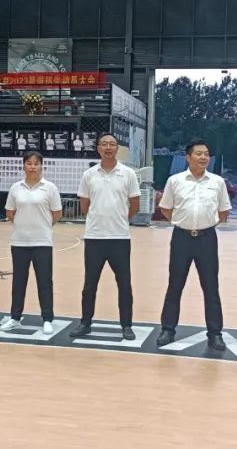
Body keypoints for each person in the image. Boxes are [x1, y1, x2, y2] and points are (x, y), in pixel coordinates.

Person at [155, 139, 231, 351]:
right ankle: (168, 329)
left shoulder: (217, 182)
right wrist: (183, 222)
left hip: (207, 238)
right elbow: (166, 209)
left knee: (211, 286)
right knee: (175, 284)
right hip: (182, 237)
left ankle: (215, 334)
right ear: (188, 157)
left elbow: (223, 211)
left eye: (206, 153)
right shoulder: (175, 181)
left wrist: (206, 224)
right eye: (199, 153)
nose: (203, 157)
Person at [69, 133, 141, 340]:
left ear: (117, 148)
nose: (108, 148)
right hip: (95, 238)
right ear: (98, 148)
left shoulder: (128, 174)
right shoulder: (89, 174)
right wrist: (98, 219)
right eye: (104, 144)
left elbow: (134, 205)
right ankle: (85, 323)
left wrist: (119, 219)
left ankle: (126, 325)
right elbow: (85, 205)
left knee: (124, 284)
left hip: (120, 238)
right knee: (90, 284)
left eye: (112, 144)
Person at [0, 151, 62, 334]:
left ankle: (47, 319)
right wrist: (23, 225)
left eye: (36, 163)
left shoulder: (49, 188)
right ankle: (15, 317)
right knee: (19, 282)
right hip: (19, 242)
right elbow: (10, 212)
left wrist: (42, 227)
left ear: (41, 166)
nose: (32, 166)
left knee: (45, 282)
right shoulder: (16, 188)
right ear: (24, 166)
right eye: (29, 163)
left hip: (42, 242)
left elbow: (57, 214)